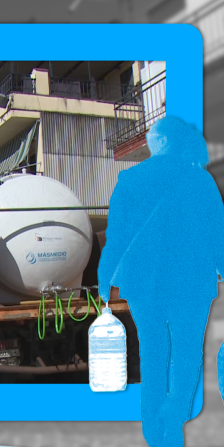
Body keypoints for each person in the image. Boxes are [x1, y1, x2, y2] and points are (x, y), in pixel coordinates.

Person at [98, 116, 224, 447]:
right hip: (191, 284)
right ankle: (173, 416)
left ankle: (155, 432)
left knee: (153, 353)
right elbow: (218, 238)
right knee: (187, 354)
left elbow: (117, 239)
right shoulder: (202, 181)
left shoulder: (129, 180)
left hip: (144, 285)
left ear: (160, 144)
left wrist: (103, 280)